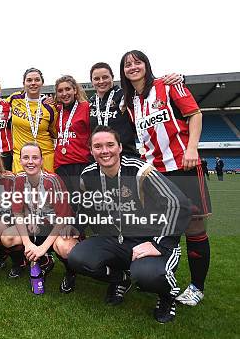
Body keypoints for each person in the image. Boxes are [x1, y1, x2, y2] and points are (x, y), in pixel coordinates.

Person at [69, 126, 191, 323]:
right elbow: (86, 207)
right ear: (91, 151)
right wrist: (75, 227)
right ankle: (121, 279)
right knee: (78, 257)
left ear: (119, 147)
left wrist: (160, 243)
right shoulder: (88, 174)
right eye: (98, 146)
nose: (104, 151)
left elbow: (179, 204)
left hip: (149, 240)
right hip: (114, 239)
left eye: (110, 145)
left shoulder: (140, 170)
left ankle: (166, 297)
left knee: (147, 274)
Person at [120, 50, 212, 306]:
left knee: (193, 226)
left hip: (184, 164)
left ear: (146, 65)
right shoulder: (130, 103)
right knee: (159, 227)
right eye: (127, 65)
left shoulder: (168, 85)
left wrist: (192, 148)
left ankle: (196, 286)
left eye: (137, 62)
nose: (133, 67)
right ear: (123, 72)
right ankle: (157, 276)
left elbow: (195, 114)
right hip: (156, 172)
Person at [1, 142, 78, 289]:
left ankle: (70, 272)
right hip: (35, 226)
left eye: (35, 158)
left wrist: (42, 247)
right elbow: (17, 212)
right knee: (7, 237)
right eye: (26, 158)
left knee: (64, 247)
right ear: (20, 160)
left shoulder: (52, 180)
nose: (30, 162)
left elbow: (63, 219)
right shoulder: (19, 179)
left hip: (58, 227)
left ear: (42, 161)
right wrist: (28, 244)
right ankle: (40, 262)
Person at [89, 62, 184, 156]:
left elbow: (147, 86)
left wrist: (180, 77)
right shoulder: (90, 103)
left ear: (112, 77)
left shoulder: (126, 94)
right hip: (100, 155)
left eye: (105, 77)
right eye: (96, 79)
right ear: (92, 81)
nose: (101, 81)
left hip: (125, 154)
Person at [7, 68, 57, 173]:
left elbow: (54, 133)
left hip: (45, 155)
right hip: (21, 157)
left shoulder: (50, 107)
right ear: (23, 83)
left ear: (42, 83)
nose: (33, 83)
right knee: (21, 189)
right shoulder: (14, 99)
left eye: (37, 80)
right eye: (29, 80)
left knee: (47, 188)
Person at [53, 75, 91, 214]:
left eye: (68, 89)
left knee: (84, 202)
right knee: (67, 203)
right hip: (61, 164)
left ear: (75, 90)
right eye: (60, 91)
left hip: (81, 162)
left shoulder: (86, 107)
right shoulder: (57, 110)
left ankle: (83, 231)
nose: (64, 93)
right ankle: (72, 233)